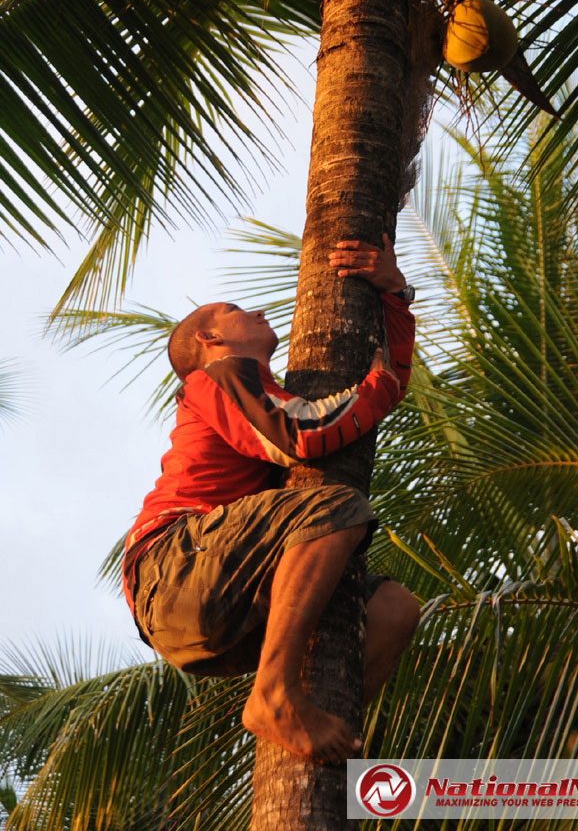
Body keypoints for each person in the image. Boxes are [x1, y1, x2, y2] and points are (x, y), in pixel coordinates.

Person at [122, 234, 419, 765]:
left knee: (394, 609)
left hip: (218, 618)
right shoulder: (216, 377)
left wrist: (395, 293)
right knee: (335, 505)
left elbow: (384, 389)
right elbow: (304, 433)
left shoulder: (252, 388)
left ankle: (326, 737)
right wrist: (374, 383)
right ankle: (274, 694)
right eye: (234, 309)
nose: (254, 309)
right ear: (211, 337)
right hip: (175, 567)